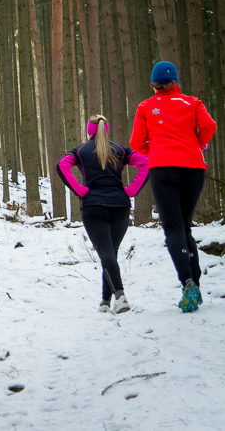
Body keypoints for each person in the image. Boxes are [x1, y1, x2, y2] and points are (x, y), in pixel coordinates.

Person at [129, 61, 217, 312]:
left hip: (163, 169)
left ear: (153, 83)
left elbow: (135, 143)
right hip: (193, 168)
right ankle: (196, 285)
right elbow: (210, 127)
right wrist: (197, 144)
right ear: (175, 81)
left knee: (173, 227)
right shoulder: (193, 102)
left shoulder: (145, 107)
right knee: (184, 226)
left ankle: (188, 282)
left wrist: (155, 150)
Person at [57, 115, 149, 314]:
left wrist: (80, 191)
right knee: (110, 253)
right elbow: (146, 163)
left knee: (106, 252)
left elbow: (61, 165)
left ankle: (120, 296)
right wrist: (131, 191)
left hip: (93, 207)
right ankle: (105, 302)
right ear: (106, 130)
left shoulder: (81, 151)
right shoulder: (120, 149)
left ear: (89, 131)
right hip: (120, 206)